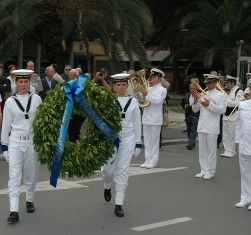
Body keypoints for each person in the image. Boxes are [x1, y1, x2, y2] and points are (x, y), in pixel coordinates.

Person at [1, 69, 42, 223]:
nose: (23, 84)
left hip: (32, 142)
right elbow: (6, 125)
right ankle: (14, 211)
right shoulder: (10, 102)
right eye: (20, 81)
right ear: (16, 83)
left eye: (26, 81)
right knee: (14, 177)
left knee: (31, 175)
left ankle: (29, 199)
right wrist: (4, 146)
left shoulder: (37, 99)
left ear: (30, 82)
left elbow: (43, 122)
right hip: (15, 142)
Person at [101, 72, 142, 217]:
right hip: (111, 139)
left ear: (127, 86)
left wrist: (138, 142)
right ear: (113, 86)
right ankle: (107, 185)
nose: (121, 87)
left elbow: (137, 122)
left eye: (124, 84)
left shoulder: (134, 102)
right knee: (108, 171)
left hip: (128, 139)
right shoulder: (108, 100)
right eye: (118, 85)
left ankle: (119, 203)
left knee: (122, 171)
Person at [192, 74, 226, 180]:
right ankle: (203, 170)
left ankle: (210, 171)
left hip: (212, 126)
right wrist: (195, 99)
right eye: (206, 83)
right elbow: (195, 109)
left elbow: (222, 110)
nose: (208, 84)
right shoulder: (204, 93)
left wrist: (209, 104)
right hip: (202, 125)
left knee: (211, 150)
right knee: (202, 150)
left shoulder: (221, 95)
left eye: (210, 82)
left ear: (215, 83)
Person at [140, 68, 167, 169]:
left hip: (155, 119)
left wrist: (147, 94)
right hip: (146, 117)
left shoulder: (163, 90)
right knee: (147, 141)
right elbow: (142, 99)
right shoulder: (149, 88)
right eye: (151, 76)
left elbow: (157, 101)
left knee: (154, 141)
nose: (152, 78)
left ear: (160, 79)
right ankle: (147, 159)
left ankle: (153, 161)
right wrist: (141, 92)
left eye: (154, 77)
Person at [235, 88, 251, 211]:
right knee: (244, 172)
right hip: (244, 143)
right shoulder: (242, 104)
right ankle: (245, 198)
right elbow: (238, 123)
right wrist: (237, 140)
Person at [221, 75, 243, 158]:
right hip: (226, 114)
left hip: (233, 115)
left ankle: (232, 151)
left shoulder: (239, 91)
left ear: (233, 83)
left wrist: (227, 100)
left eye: (228, 83)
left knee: (232, 134)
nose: (226, 84)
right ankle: (226, 150)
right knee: (225, 134)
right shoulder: (228, 90)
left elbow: (237, 103)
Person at [67, 69, 86, 142]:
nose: (71, 76)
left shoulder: (80, 85)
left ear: (77, 76)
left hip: (78, 111)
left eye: (73, 75)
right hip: (69, 110)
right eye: (70, 75)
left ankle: (75, 139)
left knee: (76, 127)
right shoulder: (65, 84)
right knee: (69, 128)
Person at [181, 82, 199, 150]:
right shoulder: (187, 95)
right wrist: (185, 106)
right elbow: (182, 103)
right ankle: (191, 141)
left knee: (193, 129)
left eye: (193, 88)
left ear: (196, 88)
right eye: (190, 88)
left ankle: (190, 144)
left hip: (196, 115)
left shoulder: (199, 95)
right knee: (189, 129)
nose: (191, 89)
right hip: (188, 114)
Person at [217, 75, 226, 148]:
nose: (220, 83)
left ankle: (222, 141)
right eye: (219, 81)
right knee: (219, 126)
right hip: (218, 110)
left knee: (222, 127)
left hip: (225, 111)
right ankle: (218, 141)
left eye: (221, 81)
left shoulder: (226, 89)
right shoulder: (217, 90)